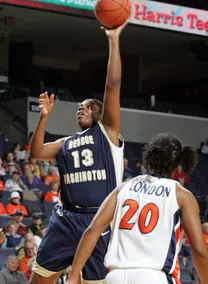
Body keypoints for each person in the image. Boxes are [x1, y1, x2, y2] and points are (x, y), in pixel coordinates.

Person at [29, 20, 128, 284]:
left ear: (99, 112)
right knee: (39, 280)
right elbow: (36, 153)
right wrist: (43, 118)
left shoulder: (106, 133)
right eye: (78, 107)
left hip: (98, 220)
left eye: (87, 107)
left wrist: (113, 39)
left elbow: (113, 86)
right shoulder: (66, 142)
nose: (80, 109)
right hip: (66, 219)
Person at [66, 133, 208, 284]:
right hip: (155, 276)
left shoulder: (124, 187)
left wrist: (73, 275)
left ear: (149, 158)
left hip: (116, 276)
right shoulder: (182, 195)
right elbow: (199, 250)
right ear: (177, 164)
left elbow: (92, 230)